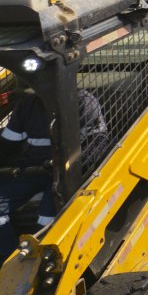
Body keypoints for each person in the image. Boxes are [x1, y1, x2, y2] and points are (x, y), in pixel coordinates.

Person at [0, 91, 106, 257]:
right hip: (33, 171)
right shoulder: (27, 105)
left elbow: (98, 141)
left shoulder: (84, 102)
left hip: (67, 173)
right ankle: (9, 258)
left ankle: (43, 260)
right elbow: (7, 144)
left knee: (48, 214)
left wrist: (72, 164)